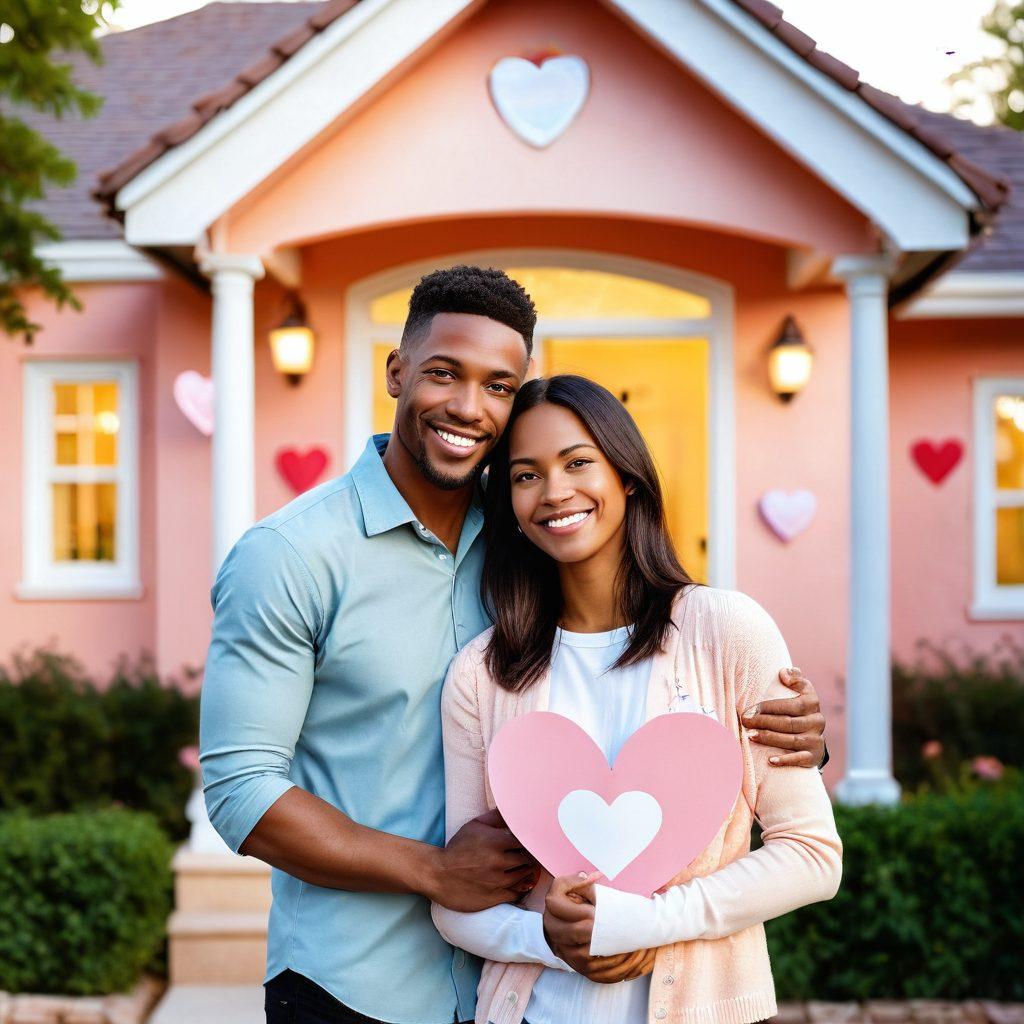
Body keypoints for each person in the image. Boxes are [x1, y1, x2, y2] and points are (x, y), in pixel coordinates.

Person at [199, 267, 830, 1024]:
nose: (468, 406)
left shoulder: (521, 543)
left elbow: (656, 693)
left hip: (502, 992)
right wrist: (435, 872)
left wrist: (781, 736)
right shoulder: (290, 556)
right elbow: (241, 790)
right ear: (395, 372)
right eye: (443, 374)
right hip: (353, 985)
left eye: (498, 385)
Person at [432, 374, 842, 1024]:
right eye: (526, 475)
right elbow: (457, 898)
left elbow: (813, 855)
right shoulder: (480, 675)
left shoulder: (727, 632)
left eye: (577, 463)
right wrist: (548, 940)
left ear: (626, 475)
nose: (555, 492)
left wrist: (644, 923)